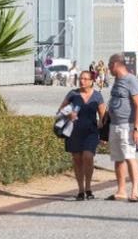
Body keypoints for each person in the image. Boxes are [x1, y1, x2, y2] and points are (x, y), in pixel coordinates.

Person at [58, 70, 107, 200]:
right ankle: (80, 190)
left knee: (88, 156)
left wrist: (104, 135)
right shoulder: (72, 94)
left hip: (91, 131)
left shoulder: (97, 96)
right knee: (77, 159)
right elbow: (60, 110)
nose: (82, 81)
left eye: (85, 79)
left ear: (91, 81)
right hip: (74, 131)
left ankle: (88, 188)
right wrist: (69, 113)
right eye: (81, 78)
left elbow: (103, 116)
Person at [106, 53, 138, 202]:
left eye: (109, 65)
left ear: (115, 64)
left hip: (127, 125)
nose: (108, 68)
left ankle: (135, 191)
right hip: (114, 124)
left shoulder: (131, 80)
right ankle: (121, 190)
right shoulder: (117, 80)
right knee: (118, 158)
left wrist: (137, 128)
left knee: (129, 156)